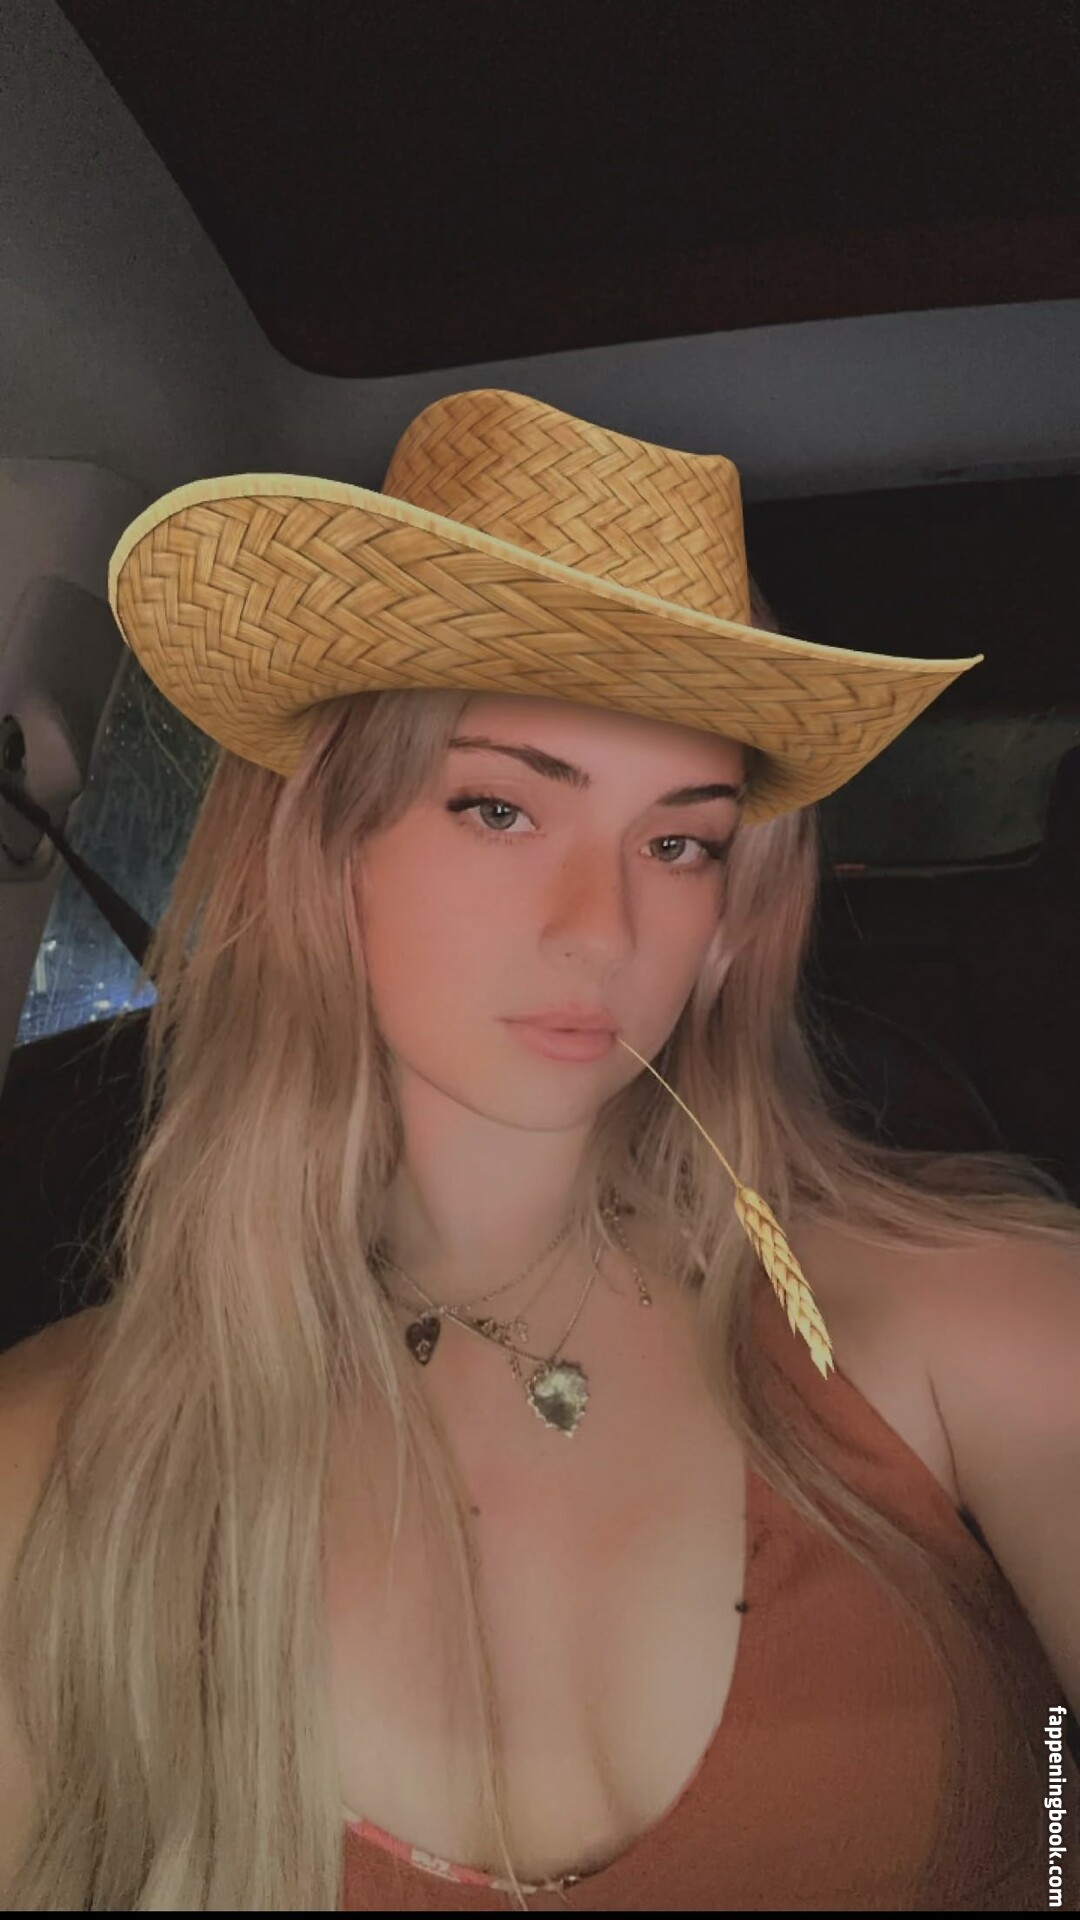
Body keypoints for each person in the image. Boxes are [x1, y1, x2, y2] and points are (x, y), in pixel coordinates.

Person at [1, 388, 1078, 1912]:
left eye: (679, 840)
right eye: (501, 809)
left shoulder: (956, 1317)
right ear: (326, 843)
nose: (604, 929)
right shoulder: (53, 1462)